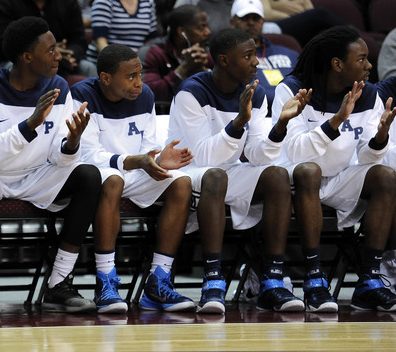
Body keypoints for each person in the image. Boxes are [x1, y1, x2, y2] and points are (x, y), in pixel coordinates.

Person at [0, 16, 101, 313]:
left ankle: (59, 281)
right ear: (26, 57)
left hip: (37, 174)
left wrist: (72, 141)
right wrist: (29, 124)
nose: (59, 55)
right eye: (51, 50)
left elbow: (59, 158)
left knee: (88, 175)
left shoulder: (59, 86)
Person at [168, 27, 311, 312]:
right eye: (247, 55)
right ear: (223, 60)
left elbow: (260, 156)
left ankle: (271, 280)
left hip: (226, 172)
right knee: (216, 175)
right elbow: (204, 156)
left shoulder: (255, 95)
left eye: (255, 54)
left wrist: (280, 125)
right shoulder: (191, 92)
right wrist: (237, 123)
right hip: (187, 173)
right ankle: (212, 281)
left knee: (277, 175)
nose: (256, 62)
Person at [272, 26, 396, 311]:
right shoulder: (293, 89)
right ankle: (314, 278)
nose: (369, 65)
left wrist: (380, 138)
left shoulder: (368, 94)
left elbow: (368, 159)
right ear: (337, 64)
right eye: (361, 59)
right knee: (309, 171)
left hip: (339, 177)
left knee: (386, 176)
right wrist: (336, 121)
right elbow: (295, 152)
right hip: (291, 179)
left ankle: (369, 280)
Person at [72, 44, 195, 313]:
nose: (139, 83)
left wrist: (160, 160)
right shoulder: (81, 94)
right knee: (112, 179)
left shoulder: (146, 94)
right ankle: (106, 282)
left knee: (181, 181)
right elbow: (88, 154)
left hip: (135, 169)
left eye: (140, 74)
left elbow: (148, 147)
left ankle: (158, 282)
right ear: (105, 78)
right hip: (98, 173)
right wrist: (132, 161)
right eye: (131, 77)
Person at [0, 0, 97, 78]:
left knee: (88, 68)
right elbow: (2, 43)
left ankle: (90, 110)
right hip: (18, 59)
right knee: (17, 68)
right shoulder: (3, 3)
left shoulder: (68, 3)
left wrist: (69, 55)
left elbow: (79, 40)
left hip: (63, 59)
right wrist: (43, 52)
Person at [229, 0, 298, 114]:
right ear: (232, 22)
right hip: (254, 116)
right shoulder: (229, 56)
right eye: (245, 18)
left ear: (263, 21)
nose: (251, 23)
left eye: (256, 18)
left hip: (295, 116)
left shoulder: (289, 53)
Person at [143, 4, 212, 101]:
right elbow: (148, 94)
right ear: (182, 32)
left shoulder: (206, 53)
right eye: (201, 27)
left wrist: (204, 71)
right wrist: (184, 68)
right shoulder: (154, 52)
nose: (208, 32)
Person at [86, 0, 159, 63]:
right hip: (107, 63)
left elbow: (152, 40)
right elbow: (99, 41)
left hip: (137, 63)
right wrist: (120, 64)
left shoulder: (148, 2)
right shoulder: (104, 2)